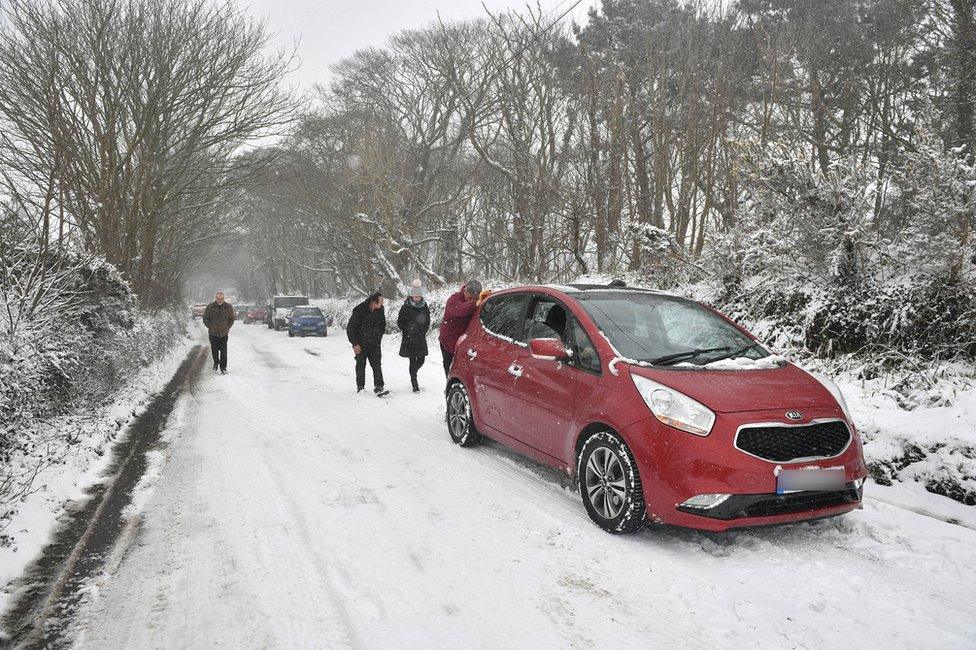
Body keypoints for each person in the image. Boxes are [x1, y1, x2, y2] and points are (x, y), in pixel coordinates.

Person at [438, 279, 488, 377]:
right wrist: (475, 303)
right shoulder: (454, 299)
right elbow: (461, 309)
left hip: (464, 342)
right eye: (470, 298)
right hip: (448, 341)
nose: (472, 300)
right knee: (450, 369)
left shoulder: (475, 301)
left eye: (475, 298)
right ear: (465, 291)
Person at [347, 291, 387, 394]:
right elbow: (351, 329)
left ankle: (379, 386)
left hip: (375, 344)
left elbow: (382, 326)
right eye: (380, 303)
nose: (382, 305)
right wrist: (355, 344)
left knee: (377, 365)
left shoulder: (380, 310)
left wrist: (378, 336)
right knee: (360, 365)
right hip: (360, 344)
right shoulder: (359, 310)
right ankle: (360, 387)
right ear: (373, 302)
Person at [397, 280, 431, 393]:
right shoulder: (406, 306)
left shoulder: (424, 306)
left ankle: (413, 373)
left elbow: (427, 321)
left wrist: (423, 331)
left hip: (420, 337)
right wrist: (407, 331)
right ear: (411, 296)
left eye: (418, 296)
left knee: (421, 359)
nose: (416, 298)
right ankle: (414, 384)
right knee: (412, 360)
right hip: (409, 338)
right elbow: (400, 321)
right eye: (415, 296)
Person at [202, 291, 235, 374]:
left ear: (224, 299)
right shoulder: (210, 307)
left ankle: (223, 367)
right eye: (218, 298)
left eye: (222, 299)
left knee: (224, 351)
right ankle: (216, 363)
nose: (220, 300)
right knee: (214, 350)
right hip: (213, 333)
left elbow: (232, 318)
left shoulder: (228, 307)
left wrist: (227, 327)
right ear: (216, 298)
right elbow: (205, 318)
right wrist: (210, 326)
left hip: (224, 333)